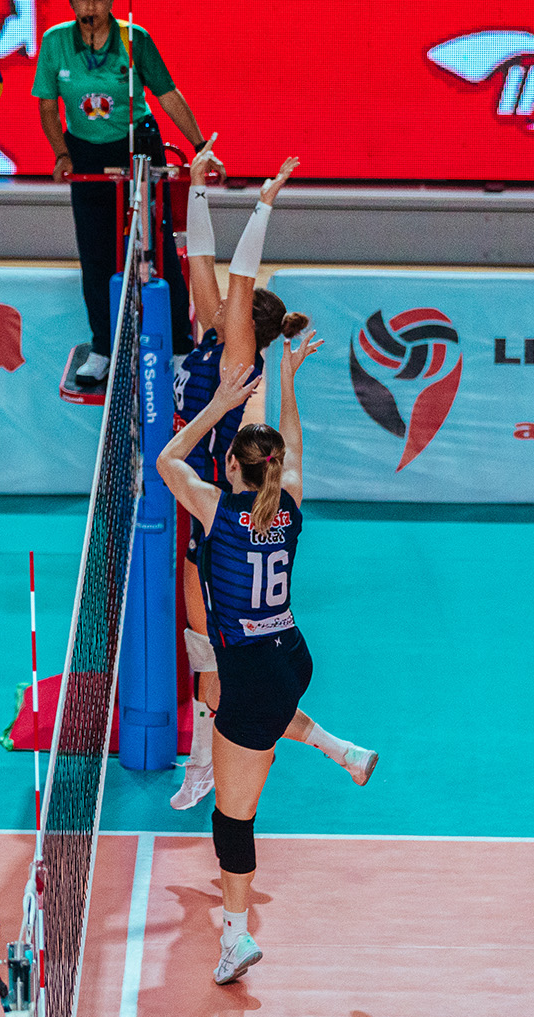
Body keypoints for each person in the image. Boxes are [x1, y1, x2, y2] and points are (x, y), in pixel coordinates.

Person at [157, 330, 378, 986]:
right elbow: (293, 445)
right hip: (290, 654)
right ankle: (342, 749)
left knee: (233, 816)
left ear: (231, 466)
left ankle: (236, 934)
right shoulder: (290, 503)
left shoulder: (215, 512)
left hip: (252, 670)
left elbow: (169, 457)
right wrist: (287, 376)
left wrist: (219, 403)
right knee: (251, 710)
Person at [166, 144, 377, 810]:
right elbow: (200, 261)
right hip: (208, 504)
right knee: (209, 655)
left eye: (235, 306)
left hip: (218, 511)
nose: (221, 301)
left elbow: (238, 275)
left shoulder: (239, 357)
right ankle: (333, 747)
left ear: (243, 325)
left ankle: (205, 768)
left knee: (212, 659)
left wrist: (262, 204)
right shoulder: (212, 336)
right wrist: (197, 186)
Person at [34, 0, 217, 383]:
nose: (90, 6)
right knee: (95, 253)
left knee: (159, 249)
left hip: (137, 145)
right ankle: (103, 347)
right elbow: (48, 107)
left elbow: (168, 94)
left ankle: (180, 347)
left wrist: (201, 147)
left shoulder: (135, 39)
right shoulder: (55, 41)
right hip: (85, 152)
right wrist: (62, 154)